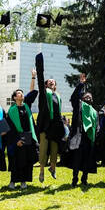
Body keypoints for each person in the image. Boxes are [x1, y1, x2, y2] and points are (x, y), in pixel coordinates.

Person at [6, 69, 38, 189]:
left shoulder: (26, 105)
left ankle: (23, 181)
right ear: (15, 97)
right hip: (17, 137)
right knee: (15, 160)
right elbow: (10, 128)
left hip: (27, 136)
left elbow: (31, 92)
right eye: (19, 93)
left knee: (26, 159)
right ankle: (13, 181)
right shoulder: (11, 111)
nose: (21, 94)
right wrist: (16, 140)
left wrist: (33, 77)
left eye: (22, 93)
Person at [35, 53, 65, 183]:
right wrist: (39, 64)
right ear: (46, 85)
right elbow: (41, 79)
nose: (51, 82)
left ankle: (52, 168)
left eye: (53, 82)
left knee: (54, 149)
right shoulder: (44, 93)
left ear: (55, 85)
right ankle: (41, 171)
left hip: (56, 126)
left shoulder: (57, 96)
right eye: (49, 82)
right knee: (43, 148)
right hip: (45, 125)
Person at [66, 73, 99, 187]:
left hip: (89, 138)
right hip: (79, 137)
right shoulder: (78, 106)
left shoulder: (94, 112)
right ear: (82, 98)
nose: (88, 97)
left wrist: (96, 135)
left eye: (90, 97)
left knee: (87, 160)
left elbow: (97, 126)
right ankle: (74, 179)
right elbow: (74, 96)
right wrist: (81, 84)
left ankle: (84, 179)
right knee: (77, 160)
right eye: (86, 96)